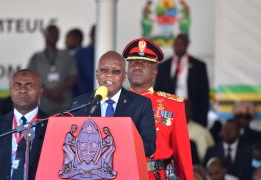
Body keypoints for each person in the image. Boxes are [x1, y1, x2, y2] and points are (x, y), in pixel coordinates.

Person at [123, 38, 192, 179]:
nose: (137, 67)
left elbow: (182, 156)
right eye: (133, 62)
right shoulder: (114, 102)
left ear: (155, 71)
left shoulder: (173, 106)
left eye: (144, 63)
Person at [70, 51, 156, 157]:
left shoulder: (141, 104)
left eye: (116, 71)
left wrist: (117, 147)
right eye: (104, 70)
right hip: (89, 170)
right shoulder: (80, 103)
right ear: (97, 74)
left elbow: (149, 147)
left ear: (124, 76)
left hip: (126, 167)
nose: (109, 75)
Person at [0, 69, 48, 180]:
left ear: (41, 91)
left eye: (29, 86)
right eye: (17, 85)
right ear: (10, 90)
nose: (23, 90)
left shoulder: (51, 125)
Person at [154, 33, 209, 127]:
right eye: (176, 44)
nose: (179, 46)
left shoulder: (198, 66)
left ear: (187, 45)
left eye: (182, 44)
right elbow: (157, 92)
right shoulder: (163, 66)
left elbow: (204, 94)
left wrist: (202, 118)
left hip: (191, 111)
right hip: (168, 111)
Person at [27, 24, 78, 115]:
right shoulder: (36, 57)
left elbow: (73, 77)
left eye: (56, 33)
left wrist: (57, 91)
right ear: (45, 35)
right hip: (43, 105)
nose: (53, 35)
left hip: (64, 103)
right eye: (51, 33)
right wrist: (50, 93)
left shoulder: (66, 55)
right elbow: (30, 79)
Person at [73, 25, 96, 97]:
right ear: (91, 35)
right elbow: (92, 75)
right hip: (84, 97)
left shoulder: (108, 54)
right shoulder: (82, 53)